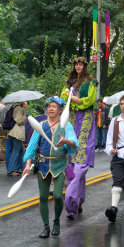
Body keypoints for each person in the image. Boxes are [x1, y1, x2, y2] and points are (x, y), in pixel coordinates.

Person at [22, 96, 79, 238]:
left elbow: (74, 143)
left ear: (60, 110)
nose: (51, 108)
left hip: (60, 164)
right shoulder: (41, 125)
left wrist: (67, 141)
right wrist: (28, 165)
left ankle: (56, 223)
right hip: (43, 164)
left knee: (59, 196)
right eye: (49, 106)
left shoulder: (67, 125)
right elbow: (31, 147)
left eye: (54, 106)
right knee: (42, 197)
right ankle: (46, 227)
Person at [60, 57, 97, 219]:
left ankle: (71, 199)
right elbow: (63, 97)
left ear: (85, 66)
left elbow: (89, 100)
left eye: (81, 64)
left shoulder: (91, 81)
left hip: (86, 119)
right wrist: (69, 100)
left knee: (81, 157)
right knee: (71, 157)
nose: (78, 66)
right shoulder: (69, 81)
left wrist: (75, 99)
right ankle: (78, 200)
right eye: (76, 64)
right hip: (72, 117)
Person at [6, 101, 27, 176]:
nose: (25, 102)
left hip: (12, 132)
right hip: (17, 133)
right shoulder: (18, 108)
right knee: (15, 151)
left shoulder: (12, 107)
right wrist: (24, 115)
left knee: (22, 151)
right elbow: (19, 120)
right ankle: (10, 171)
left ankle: (23, 168)